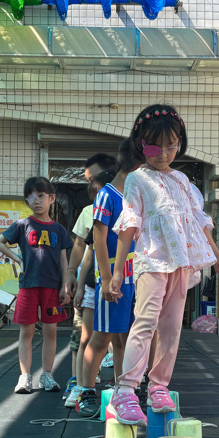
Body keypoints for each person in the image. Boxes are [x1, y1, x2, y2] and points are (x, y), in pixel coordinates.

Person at [106, 104, 219, 425]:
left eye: (171, 146)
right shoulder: (137, 179)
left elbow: (200, 222)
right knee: (145, 322)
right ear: (140, 145)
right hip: (152, 260)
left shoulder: (184, 181)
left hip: (182, 263)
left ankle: (158, 386)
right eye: (154, 147)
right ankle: (125, 390)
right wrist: (117, 272)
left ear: (180, 143)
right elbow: (130, 223)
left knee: (172, 327)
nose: (162, 154)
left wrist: (217, 257)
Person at [73, 140, 142, 418]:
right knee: (101, 338)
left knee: (126, 339)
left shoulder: (136, 196)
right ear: (136, 166)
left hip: (134, 277)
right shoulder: (107, 195)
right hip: (113, 277)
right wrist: (105, 278)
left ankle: (123, 390)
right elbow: (98, 238)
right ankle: (86, 391)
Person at [0, 177, 73, 394]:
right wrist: (18, 259)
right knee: (26, 330)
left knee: (50, 331)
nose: (36, 200)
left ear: (52, 198)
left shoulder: (59, 230)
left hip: (52, 287)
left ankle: (47, 375)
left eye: (40, 195)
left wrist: (64, 286)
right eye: (30, 196)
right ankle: (25, 377)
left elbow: (63, 260)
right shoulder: (22, 225)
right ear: (26, 201)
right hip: (28, 285)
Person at [63, 155, 117, 400]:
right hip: (92, 283)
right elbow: (83, 248)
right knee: (84, 336)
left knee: (118, 337)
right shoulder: (88, 211)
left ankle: (122, 387)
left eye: (94, 179)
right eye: (88, 181)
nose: (91, 185)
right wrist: (72, 274)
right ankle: (80, 384)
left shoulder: (128, 206)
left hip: (119, 282)